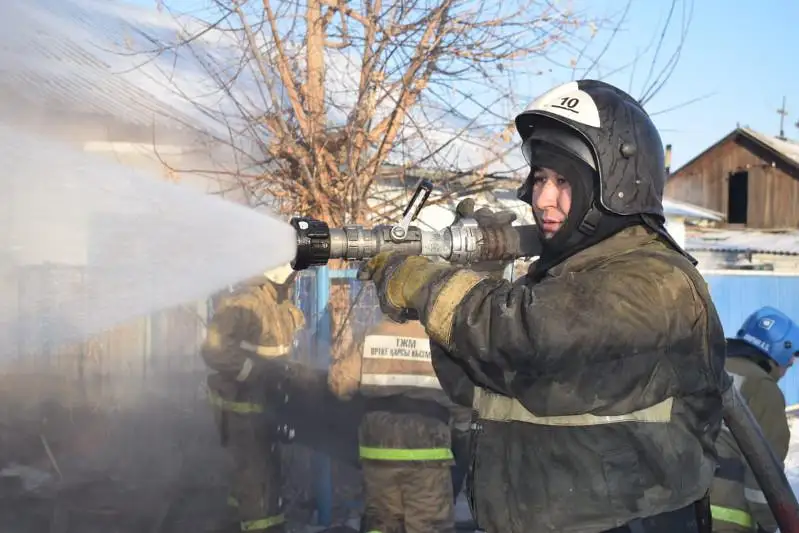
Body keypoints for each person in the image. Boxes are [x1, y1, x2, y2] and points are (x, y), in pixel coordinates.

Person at [357, 79, 729, 533]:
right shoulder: (558, 279)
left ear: (616, 188)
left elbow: (528, 336)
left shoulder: (654, 282)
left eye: (563, 181)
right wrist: (485, 276)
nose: (542, 199)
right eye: (539, 179)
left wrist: (422, 281)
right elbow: (477, 381)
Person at [201, 264, 306, 533]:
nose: (295, 280)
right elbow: (213, 350)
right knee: (257, 484)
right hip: (242, 410)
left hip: (266, 408)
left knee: (259, 480)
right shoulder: (243, 303)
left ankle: (234, 523)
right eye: (293, 274)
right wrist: (254, 372)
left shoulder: (278, 304)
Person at [329, 317, 457, 533]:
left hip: (379, 451)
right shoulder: (440, 339)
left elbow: (340, 385)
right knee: (429, 523)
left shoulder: (371, 335)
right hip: (427, 453)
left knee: (382, 522)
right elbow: (462, 397)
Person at [710, 306, 799, 533]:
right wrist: (770, 524)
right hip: (726, 519)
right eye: (791, 359)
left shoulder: (709, 368)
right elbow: (766, 474)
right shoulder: (763, 388)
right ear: (780, 350)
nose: (790, 365)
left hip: (680, 512)